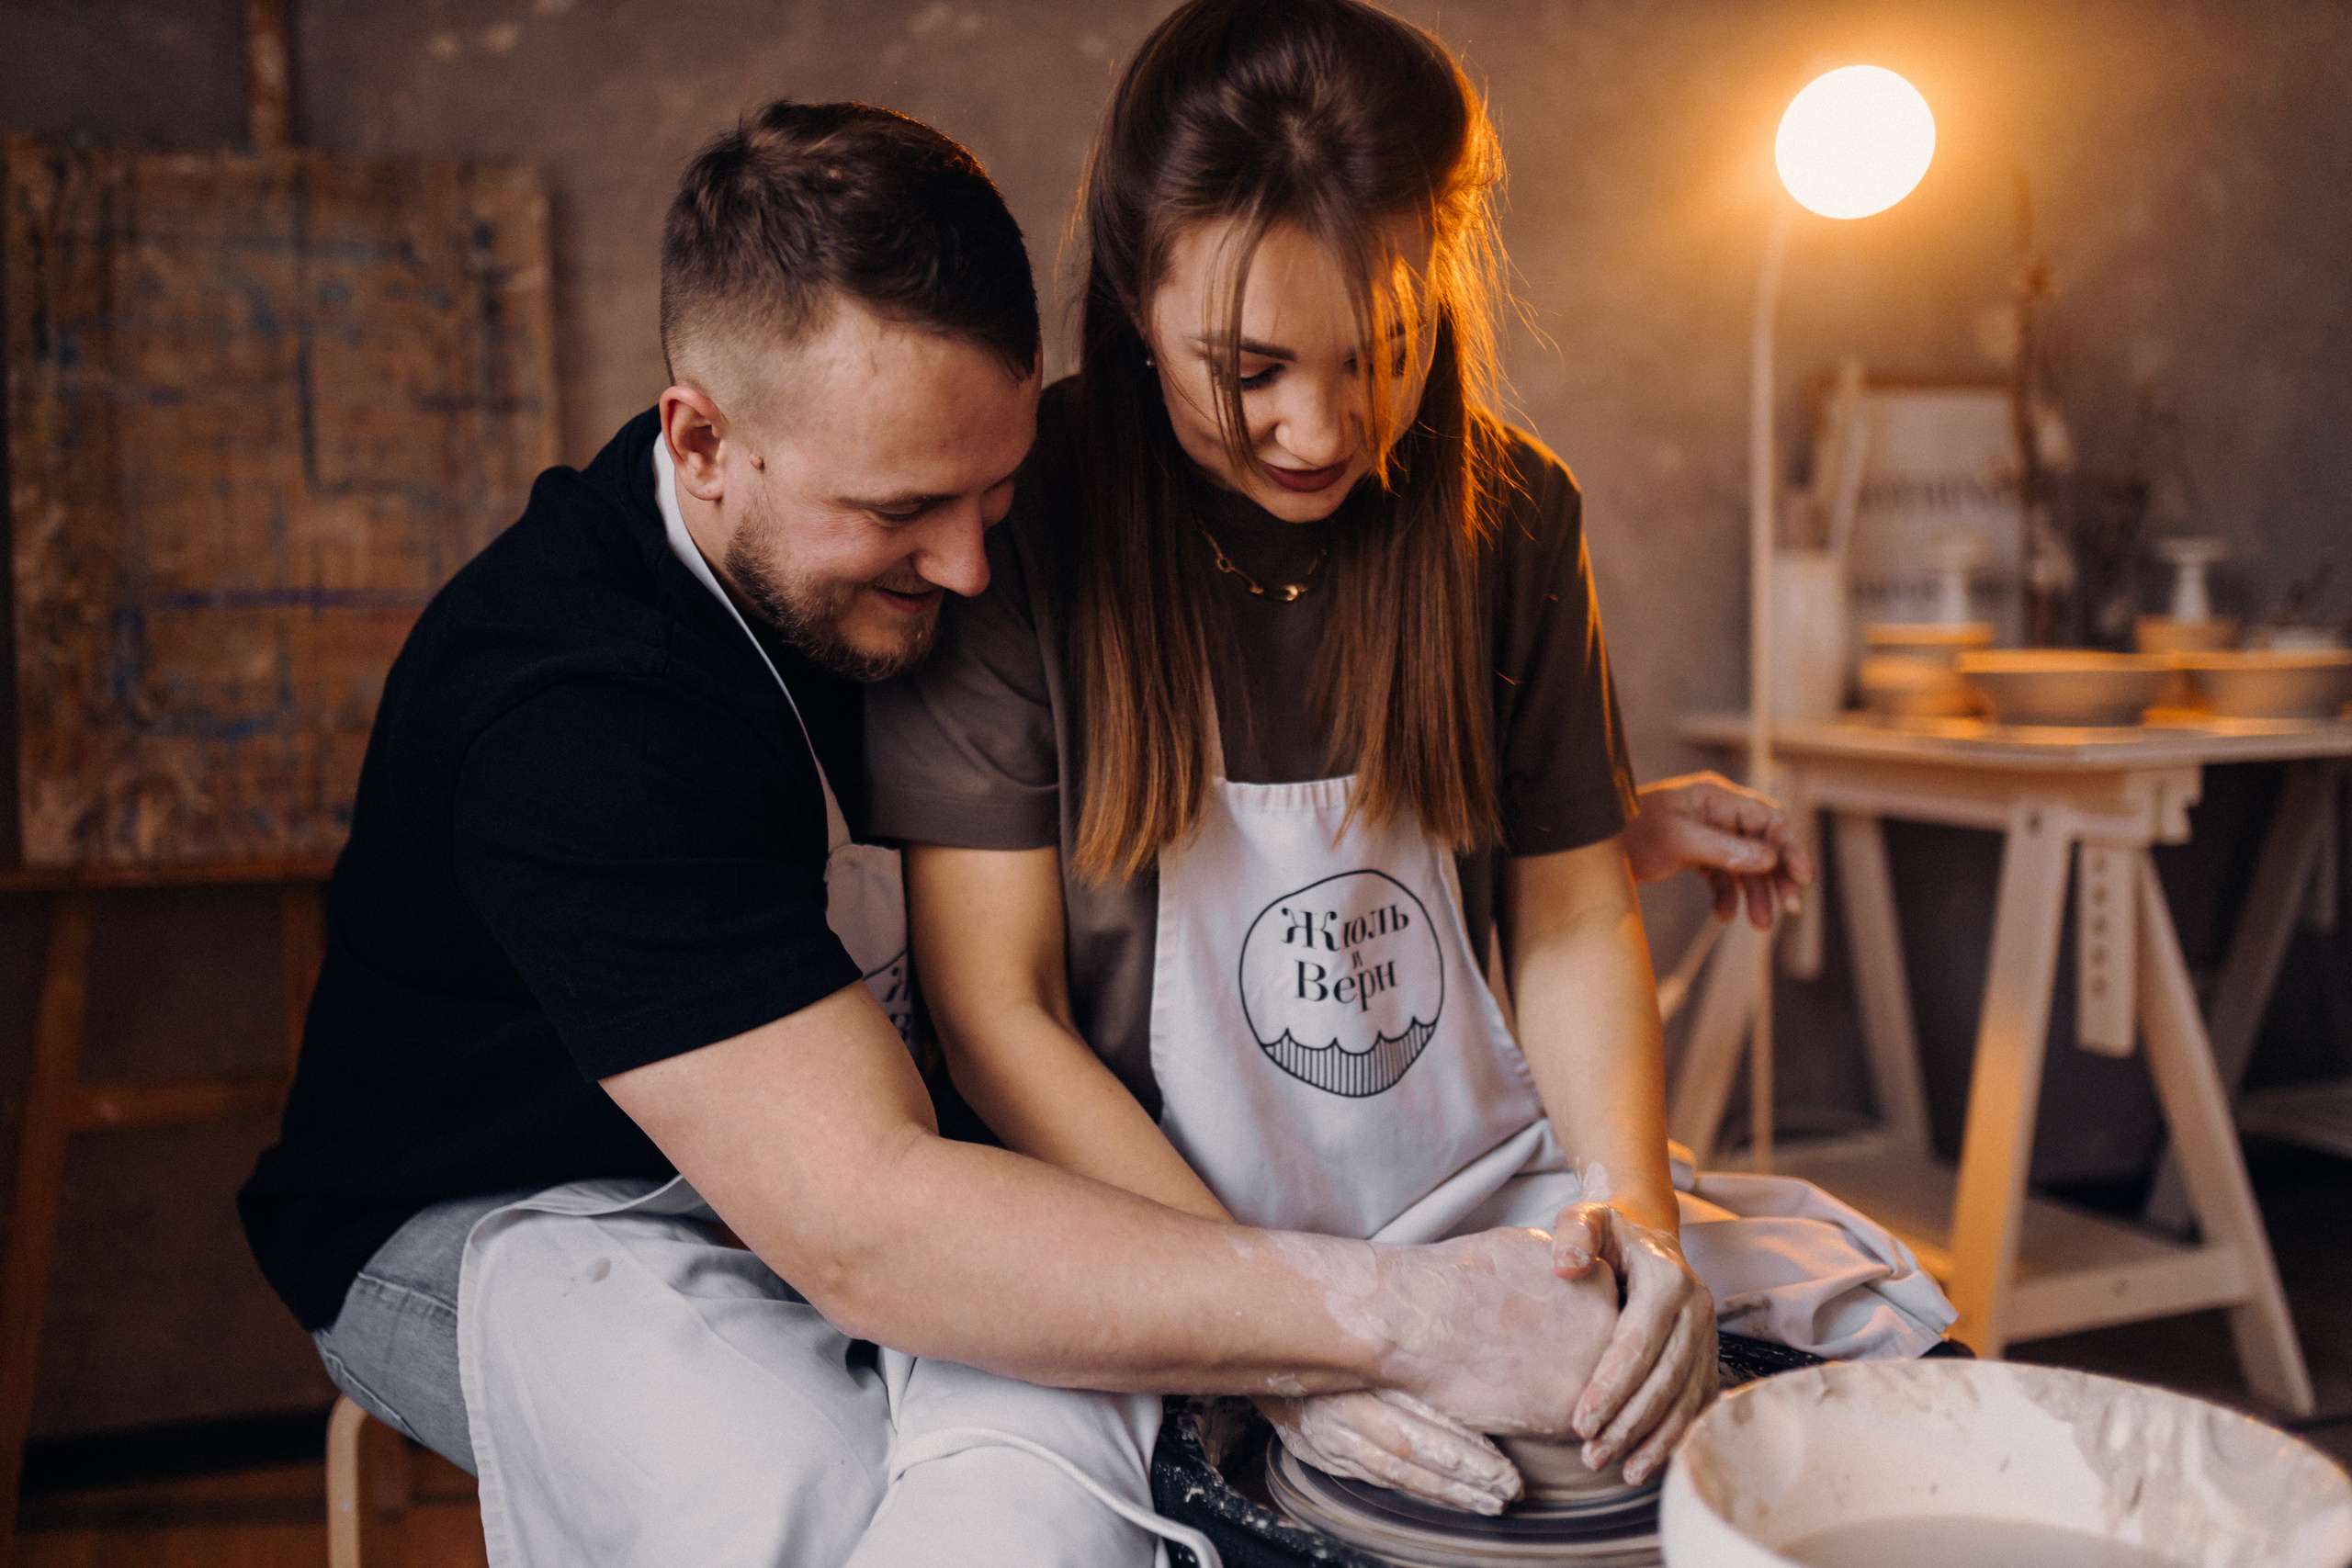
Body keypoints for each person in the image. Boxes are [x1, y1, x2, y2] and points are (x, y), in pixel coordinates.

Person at [239, 98, 1684, 1568]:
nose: (971, 563)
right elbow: (864, 1219)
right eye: (906, 509)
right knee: (811, 1494)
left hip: (858, 1154)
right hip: (515, 1207)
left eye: (995, 490)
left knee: (1041, 1490)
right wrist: (1375, 1330)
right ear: (703, 439)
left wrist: (1585, 833)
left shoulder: (928, 553)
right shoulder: (571, 711)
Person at [870, 0, 1954, 1514]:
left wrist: (1629, 1224)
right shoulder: (1018, 526)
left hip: (1461, 1193)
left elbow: (1571, 913)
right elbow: (1000, 1018)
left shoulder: (1508, 518)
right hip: (1131, 1226)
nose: (1322, 429)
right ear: (1129, 292)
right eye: (1247, 370)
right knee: (1011, 1533)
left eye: (1384, 350)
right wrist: (1279, 1341)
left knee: (1903, 1383)